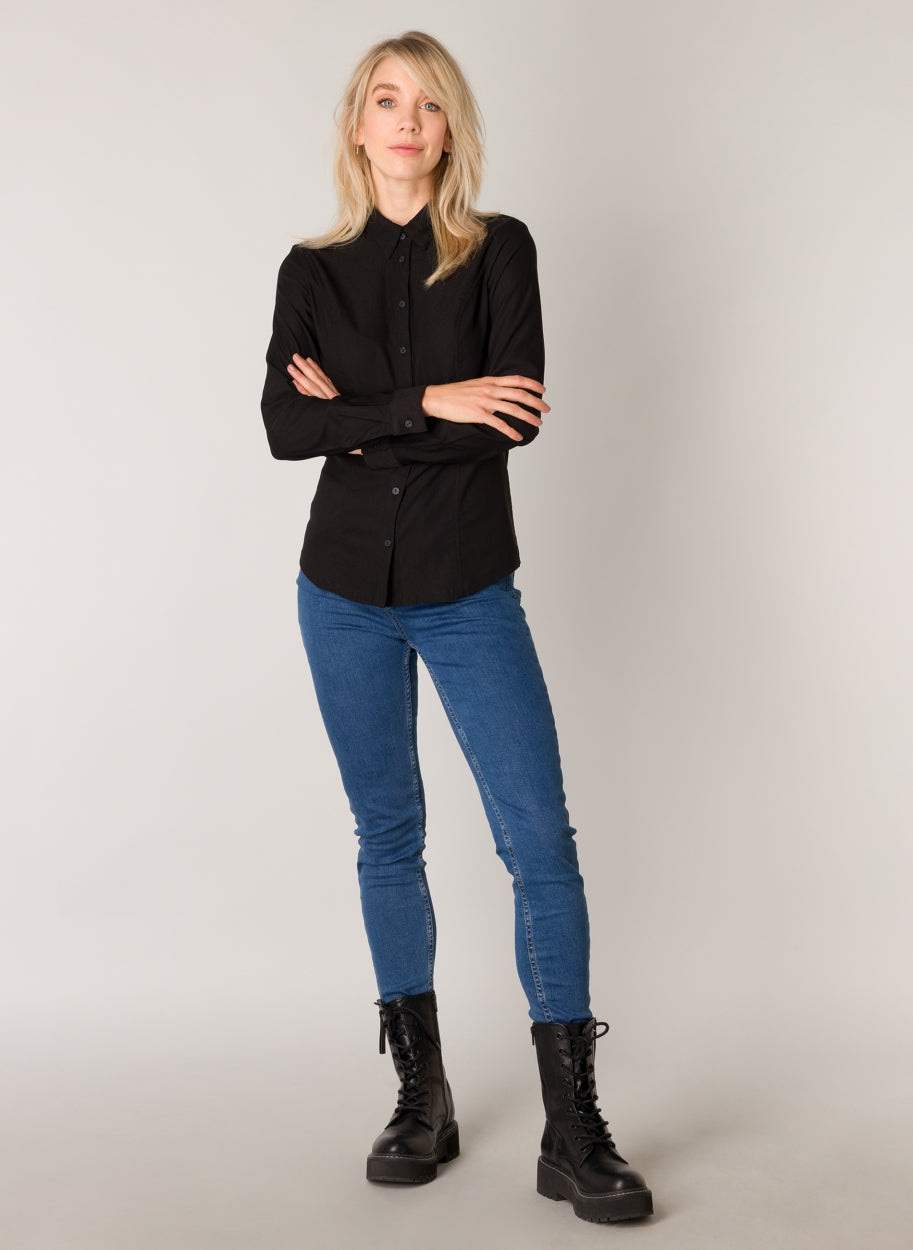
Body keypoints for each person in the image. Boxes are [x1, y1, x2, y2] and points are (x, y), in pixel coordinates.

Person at [260, 30, 653, 1224]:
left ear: (449, 130)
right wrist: (429, 398)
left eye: (428, 104)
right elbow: (284, 427)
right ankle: (420, 1098)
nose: (406, 121)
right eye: (386, 100)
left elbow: (512, 416)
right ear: (358, 123)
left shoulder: (499, 251)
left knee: (540, 840)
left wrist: (363, 417)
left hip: (467, 586)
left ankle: (572, 1126)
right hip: (339, 593)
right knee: (388, 834)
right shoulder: (309, 271)